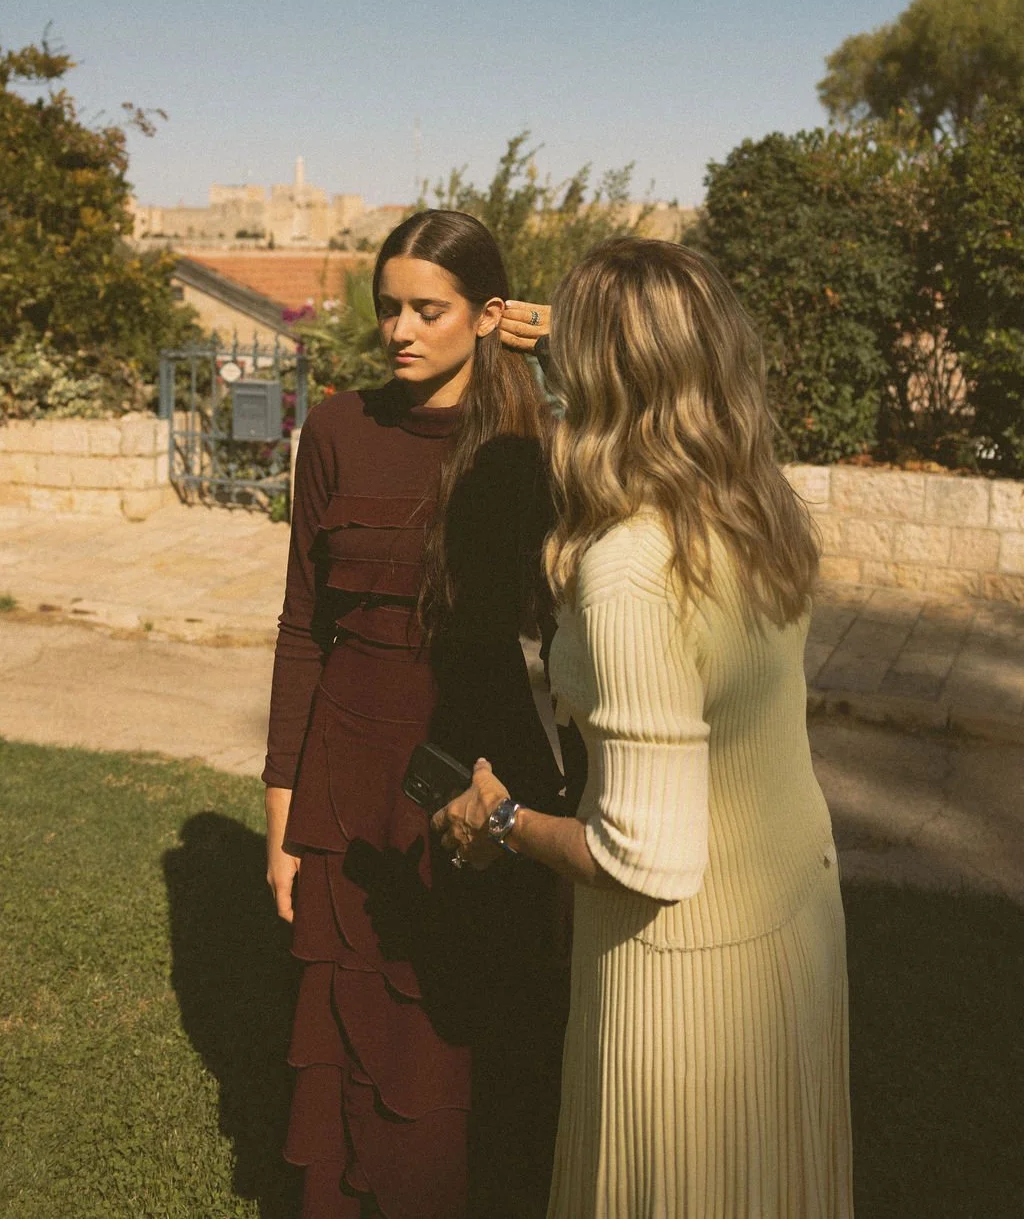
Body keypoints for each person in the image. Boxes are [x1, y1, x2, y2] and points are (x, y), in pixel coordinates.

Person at [435, 237, 855, 1218]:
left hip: (688, 982)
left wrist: (497, 821)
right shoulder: (752, 503)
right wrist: (573, 325)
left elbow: (646, 858)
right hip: (790, 921)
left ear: (599, 377)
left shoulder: (629, 568)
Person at [263, 210, 575, 1219]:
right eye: (387, 306)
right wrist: (281, 813)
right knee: (357, 1025)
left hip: (480, 771)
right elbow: (302, 623)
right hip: (346, 773)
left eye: (427, 309)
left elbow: (664, 445)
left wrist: (566, 346)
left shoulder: (530, 444)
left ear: (488, 314)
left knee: (472, 1038)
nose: (399, 329)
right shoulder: (339, 427)